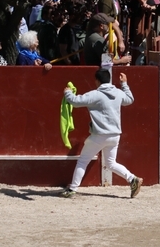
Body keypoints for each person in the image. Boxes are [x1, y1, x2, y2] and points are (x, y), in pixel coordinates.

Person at [61, 70, 143, 198]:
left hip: (99, 135)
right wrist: (124, 84)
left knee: (83, 161)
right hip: (115, 135)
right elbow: (130, 99)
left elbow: (75, 102)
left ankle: (72, 189)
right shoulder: (118, 93)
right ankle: (132, 179)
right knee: (111, 163)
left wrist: (67, 93)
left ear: (97, 81)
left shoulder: (95, 94)